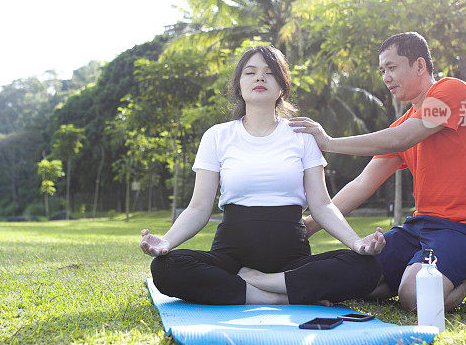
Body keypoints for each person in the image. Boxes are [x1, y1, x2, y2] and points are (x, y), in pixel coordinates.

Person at [140, 45, 385, 305]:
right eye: (250, 72)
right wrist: (166, 241)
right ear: (239, 86)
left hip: (292, 258)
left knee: (366, 268)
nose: (259, 78)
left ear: (282, 87)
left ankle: (258, 282)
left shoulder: (302, 135)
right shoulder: (217, 136)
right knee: (165, 268)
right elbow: (199, 208)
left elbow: (322, 205)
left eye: (269, 72)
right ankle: (283, 297)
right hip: (230, 258)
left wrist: (356, 243)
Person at [290, 32, 466, 312]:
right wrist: (310, 224)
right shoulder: (404, 123)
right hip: (423, 226)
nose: (386, 77)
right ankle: (424, 272)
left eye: (392, 67)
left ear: (419, 66)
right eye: (382, 70)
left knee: (415, 297)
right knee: (360, 281)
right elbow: (363, 184)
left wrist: (329, 143)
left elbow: (402, 138)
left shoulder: (452, 92)